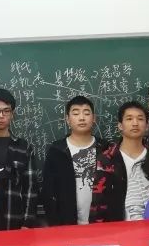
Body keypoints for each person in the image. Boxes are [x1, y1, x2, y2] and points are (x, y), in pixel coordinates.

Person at [41, 96, 105, 226]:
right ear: (67, 119)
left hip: (101, 224)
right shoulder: (57, 151)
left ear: (94, 118)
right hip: (66, 225)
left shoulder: (106, 149)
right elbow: (48, 191)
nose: (81, 118)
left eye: (86, 113)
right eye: (75, 113)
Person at [0, 88, 38, 230]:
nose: (1, 116)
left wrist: (27, 224)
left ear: (12, 114)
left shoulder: (23, 147)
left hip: (14, 223)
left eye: (6, 111)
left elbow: (30, 189)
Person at [90, 102, 149, 223]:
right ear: (120, 125)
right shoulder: (107, 159)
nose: (135, 123)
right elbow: (98, 199)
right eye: (129, 119)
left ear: (147, 125)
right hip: (118, 227)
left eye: (140, 119)